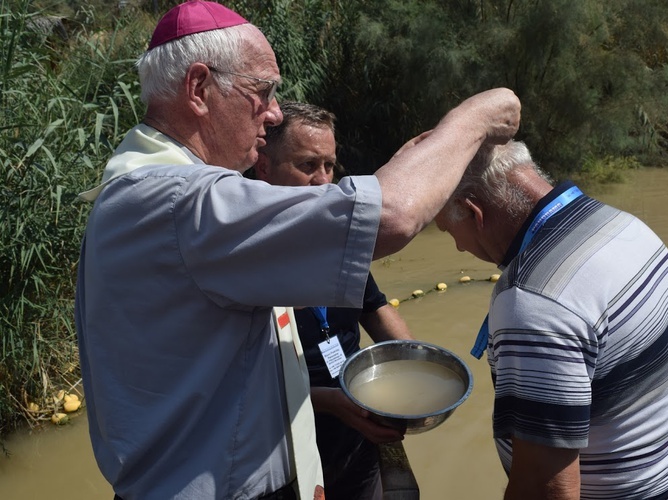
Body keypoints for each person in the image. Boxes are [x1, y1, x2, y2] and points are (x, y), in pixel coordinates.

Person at [73, 1, 521, 499]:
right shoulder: (184, 200)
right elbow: (391, 217)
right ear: (199, 88)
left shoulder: (138, 187)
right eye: (262, 92)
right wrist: (472, 119)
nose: (275, 114)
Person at [432, 140, 668, 499]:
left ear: (472, 211)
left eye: (448, 231)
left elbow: (546, 488)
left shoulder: (532, 300)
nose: (459, 247)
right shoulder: (625, 225)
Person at [251, 101, 413, 500]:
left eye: (330, 166)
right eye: (308, 165)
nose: (324, 182)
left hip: (359, 429)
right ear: (264, 167)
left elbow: (374, 308)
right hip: (288, 445)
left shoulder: (335, 240)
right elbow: (247, 385)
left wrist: (412, 364)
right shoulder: (246, 251)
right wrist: (333, 402)